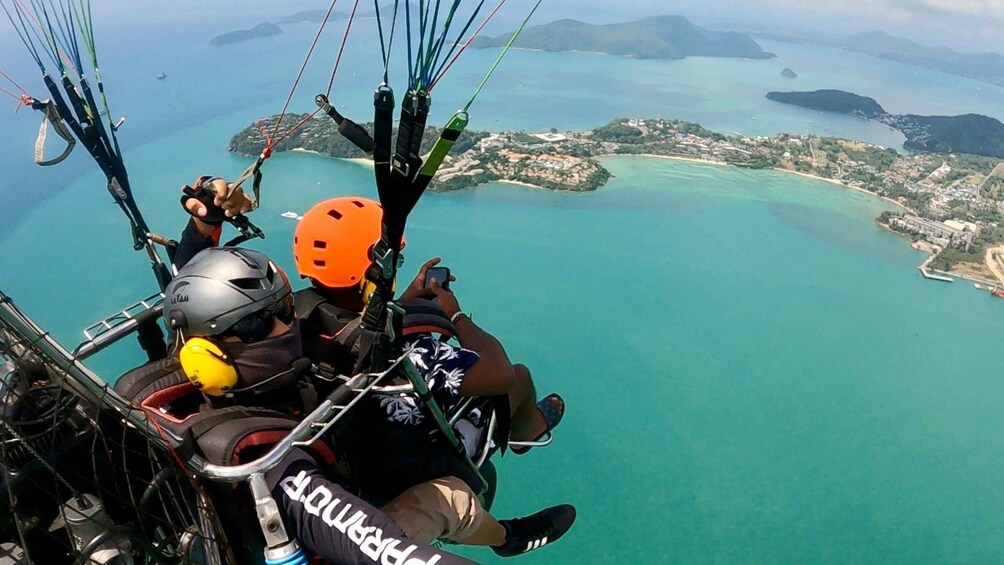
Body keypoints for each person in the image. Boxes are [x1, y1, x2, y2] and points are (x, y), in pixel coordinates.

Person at [163, 246, 575, 559]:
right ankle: (508, 537)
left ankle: (524, 432)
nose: (287, 325)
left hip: (345, 474)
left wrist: (204, 224)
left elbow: (342, 341)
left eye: (286, 308)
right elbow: (370, 543)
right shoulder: (268, 460)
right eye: (258, 321)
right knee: (453, 498)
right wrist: (457, 316)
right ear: (206, 353)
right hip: (340, 531)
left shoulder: (202, 385)